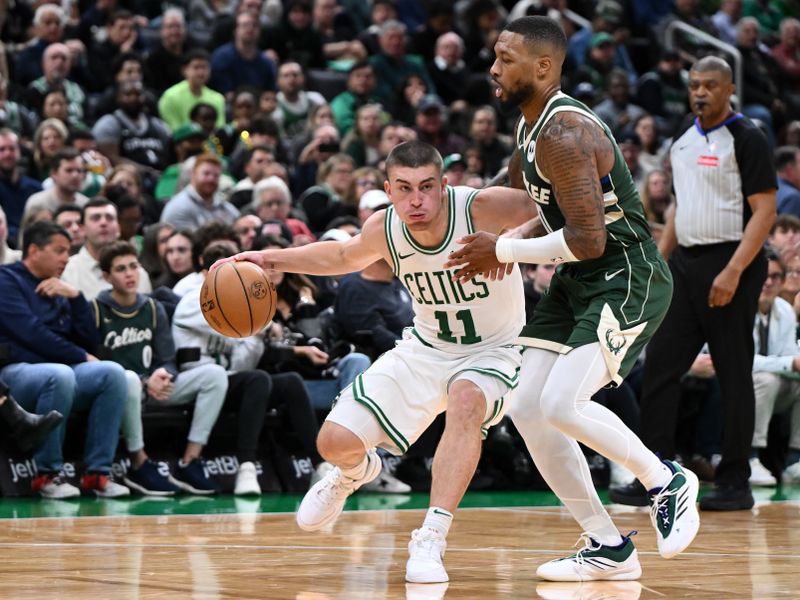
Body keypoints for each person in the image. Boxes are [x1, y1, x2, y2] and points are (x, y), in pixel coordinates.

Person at [443, 16, 700, 581]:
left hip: (626, 274)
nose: (492, 67)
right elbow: (549, 211)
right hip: (578, 279)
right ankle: (608, 546)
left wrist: (503, 253)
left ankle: (666, 480)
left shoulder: (563, 133)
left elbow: (589, 239)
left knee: (562, 403)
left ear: (543, 67)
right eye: (494, 55)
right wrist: (507, 240)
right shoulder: (529, 128)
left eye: (505, 59)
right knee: (527, 408)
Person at [214, 140, 534, 583]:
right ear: (388, 189)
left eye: (426, 187)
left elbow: (565, 207)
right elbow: (342, 256)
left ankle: (431, 537)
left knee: (465, 400)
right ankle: (354, 472)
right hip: (425, 348)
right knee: (333, 443)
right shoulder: (386, 228)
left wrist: (514, 240)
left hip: (493, 349)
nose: (416, 200)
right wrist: (271, 258)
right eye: (403, 189)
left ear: (444, 185)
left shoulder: (483, 207)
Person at [611, 55, 778, 512]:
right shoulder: (682, 140)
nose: (700, 92)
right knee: (662, 366)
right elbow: (679, 212)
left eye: (709, 85)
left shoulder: (748, 138)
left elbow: (765, 211)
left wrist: (734, 271)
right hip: (685, 264)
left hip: (732, 261)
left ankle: (735, 481)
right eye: (694, 85)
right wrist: (655, 265)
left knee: (733, 372)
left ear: (728, 90)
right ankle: (656, 478)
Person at [0, 221, 129, 498]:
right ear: (34, 250)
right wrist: (81, 356)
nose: (65, 258)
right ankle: (47, 475)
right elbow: (30, 334)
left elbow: (89, 340)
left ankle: (98, 474)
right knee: (60, 374)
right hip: (14, 375)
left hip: (60, 372)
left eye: (68, 251)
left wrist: (76, 297)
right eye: (59, 250)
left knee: (113, 373)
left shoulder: (59, 288)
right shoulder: (5, 280)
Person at [94, 241, 227, 495]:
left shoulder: (153, 308)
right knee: (129, 378)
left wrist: (164, 375)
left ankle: (190, 460)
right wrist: (146, 381)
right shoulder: (97, 310)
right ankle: (139, 463)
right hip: (123, 390)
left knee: (215, 375)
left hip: (156, 387)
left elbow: (167, 358)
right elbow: (100, 365)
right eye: (121, 269)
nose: (130, 273)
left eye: (134, 266)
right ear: (107, 276)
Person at [748, 250, 800, 486]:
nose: (768, 282)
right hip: (737, 386)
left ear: (782, 281)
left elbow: (789, 355)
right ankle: (751, 457)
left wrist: (794, 362)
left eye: (776, 277)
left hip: (771, 389)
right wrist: (790, 363)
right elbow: (742, 361)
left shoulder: (786, 311)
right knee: (767, 378)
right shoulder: (739, 308)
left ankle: (794, 460)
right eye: (764, 276)